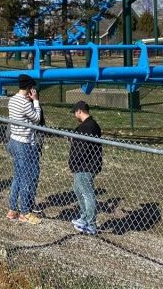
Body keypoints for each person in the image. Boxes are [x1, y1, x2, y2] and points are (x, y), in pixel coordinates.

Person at [6, 74, 43, 224]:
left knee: (18, 176)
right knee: (26, 178)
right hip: (24, 143)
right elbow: (36, 118)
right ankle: (25, 211)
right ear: (29, 88)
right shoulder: (26, 104)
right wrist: (36, 101)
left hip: (13, 140)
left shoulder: (12, 100)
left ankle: (12, 209)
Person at [68, 101, 101, 236]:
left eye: (75, 112)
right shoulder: (89, 125)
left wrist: (73, 162)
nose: (75, 115)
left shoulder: (87, 127)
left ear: (79, 111)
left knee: (87, 193)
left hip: (86, 165)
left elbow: (82, 148)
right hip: (82, 165)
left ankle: (91, 223)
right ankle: (83, 217)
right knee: (77, 189)